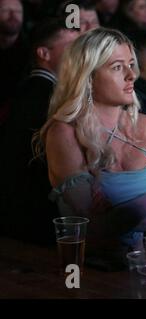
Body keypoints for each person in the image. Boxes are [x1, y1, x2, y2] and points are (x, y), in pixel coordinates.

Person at [35, 28, 146, 266]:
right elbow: (90, 226)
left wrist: (118, 217)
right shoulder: (64, 132)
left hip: (142, 264)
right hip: (92, 271)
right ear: (88, 76)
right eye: (117, 67)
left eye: (132, 64)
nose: (132, 75)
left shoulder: (144, 125)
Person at [0, 19, 79, 244]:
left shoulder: (35, 91)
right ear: (44, 53)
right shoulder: (43, 97)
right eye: (72, 47)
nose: (80, 54)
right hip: (34, 216)